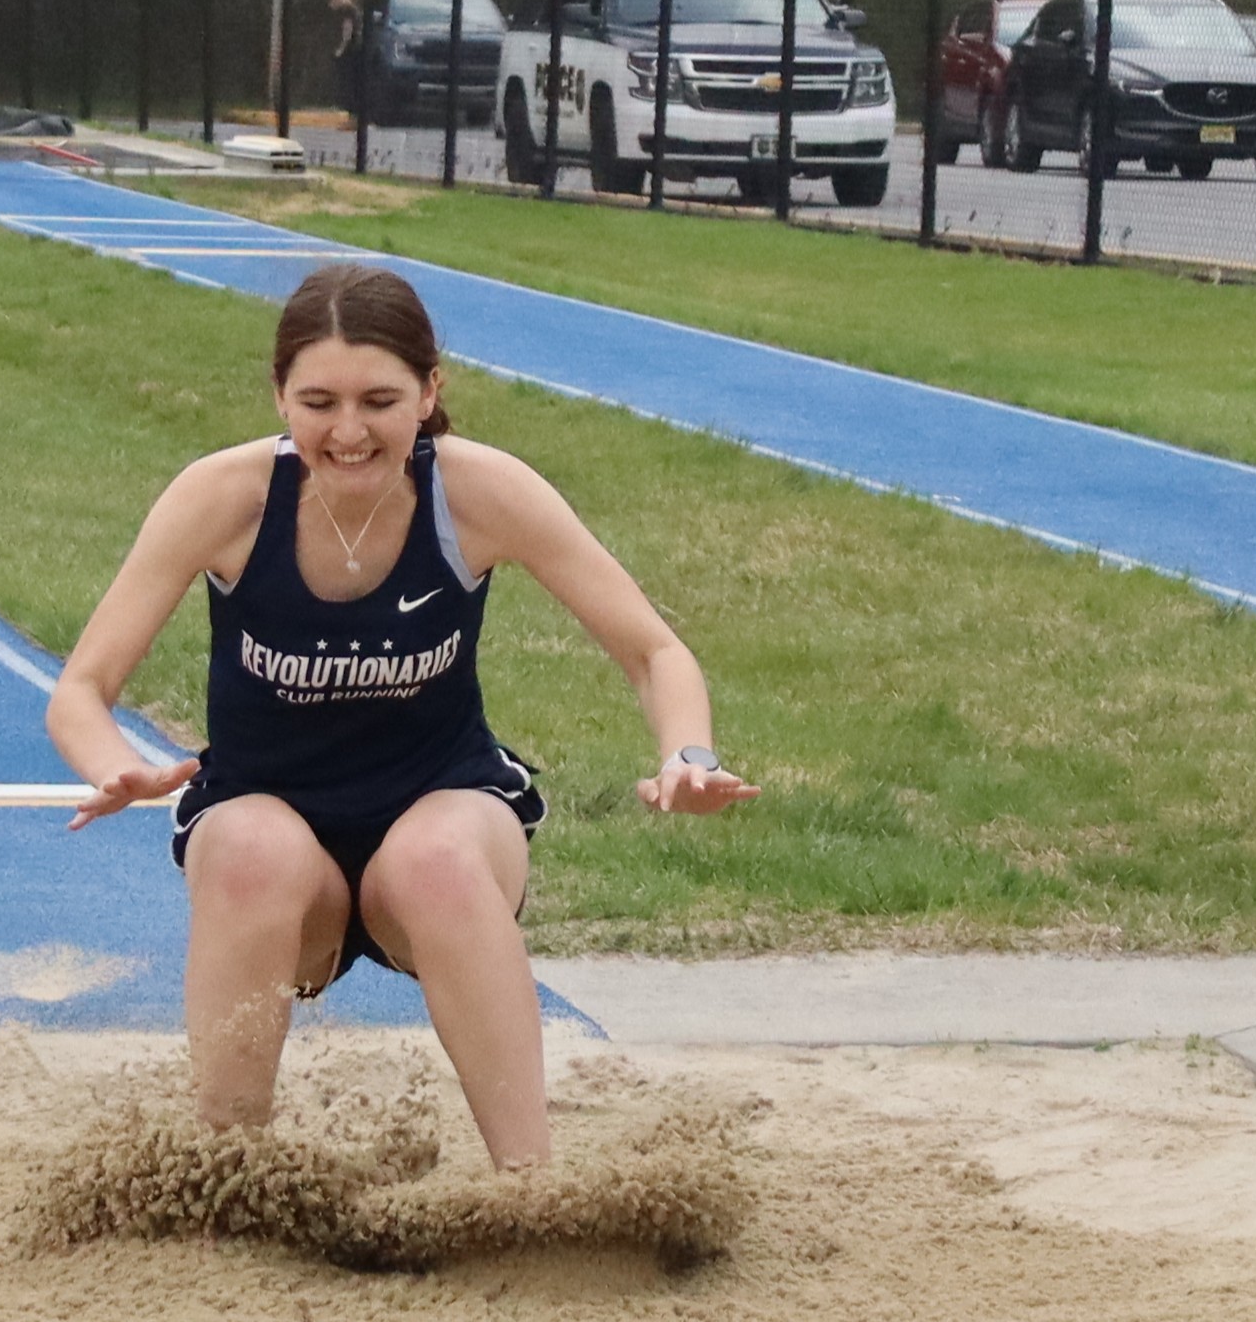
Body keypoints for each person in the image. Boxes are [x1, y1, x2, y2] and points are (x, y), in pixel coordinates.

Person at [45, 262, 756, 1171]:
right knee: (250, 855)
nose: (348, 431)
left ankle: (531, 1190)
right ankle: (224, 1177)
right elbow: (81, 688)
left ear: (429, 393)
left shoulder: (477, 492)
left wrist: (686, 754)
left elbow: (654, 650)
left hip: (440, 806)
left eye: (379, 399)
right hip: (272, 828)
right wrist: (115, 763)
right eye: (319, 402)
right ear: (278, 396)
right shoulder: (222, 497)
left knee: (438, 865)